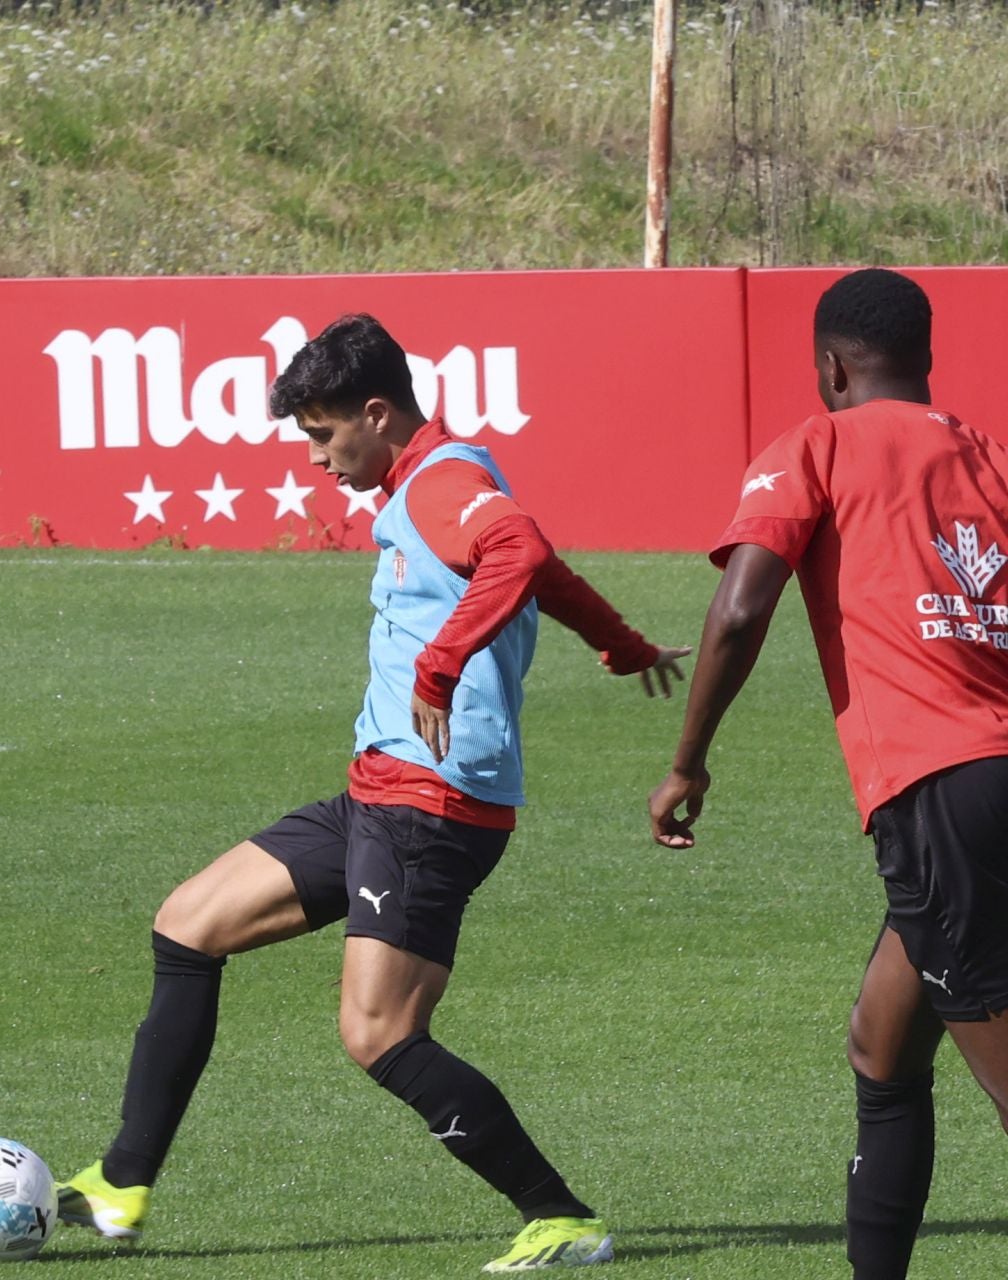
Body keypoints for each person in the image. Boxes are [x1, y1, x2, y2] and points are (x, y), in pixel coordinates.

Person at [57, 314, 687, 1274]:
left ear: (378, 413)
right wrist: (620, 643)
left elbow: (515, 550)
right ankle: (121, 1183)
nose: (315, 459)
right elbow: (539, 566)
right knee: (188, 923)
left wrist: (439, 667)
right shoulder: (432, 482)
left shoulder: (443, 483)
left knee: (379, 1032)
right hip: (376, 796)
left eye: (323, 434)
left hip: (429, 810)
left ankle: (560, 1216)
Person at [649, 267, 1008, 1280]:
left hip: (940, 793)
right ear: (924, 363)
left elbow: (738, 607)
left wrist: (686, 762)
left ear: (829, 368)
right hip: (990, 779)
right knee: (881, 1043)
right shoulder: (987, 455)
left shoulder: (817, 441)